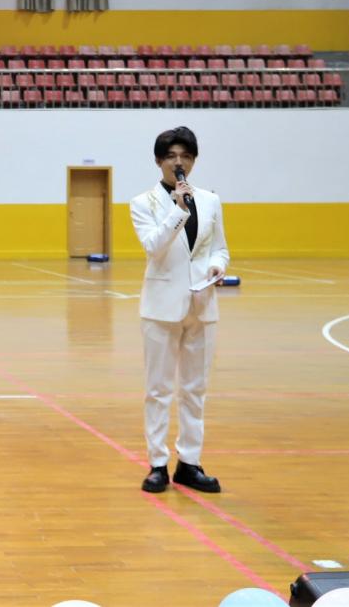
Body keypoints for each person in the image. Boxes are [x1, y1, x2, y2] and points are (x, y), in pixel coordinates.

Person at [130, 126, 229, 494]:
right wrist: (178, 210)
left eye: (185, 156)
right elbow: (153, 247)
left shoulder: (211, 200)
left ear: (193, 160)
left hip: (201, 304)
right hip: (160, 308)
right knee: (158, 390)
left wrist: (217, 266)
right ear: (159, 161)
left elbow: (219, 248)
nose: (179, 162)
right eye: (171, 156)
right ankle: (157, 464)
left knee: (194, 389)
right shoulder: (143, 203)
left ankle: (190, 462)